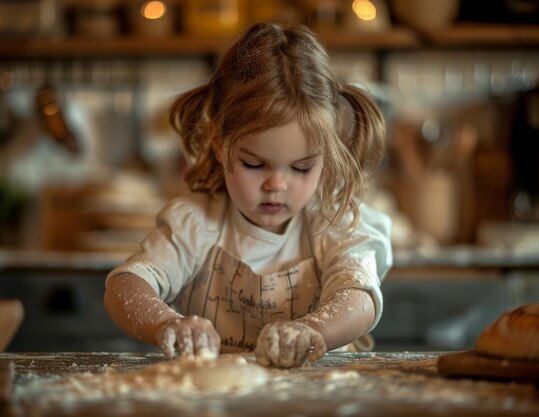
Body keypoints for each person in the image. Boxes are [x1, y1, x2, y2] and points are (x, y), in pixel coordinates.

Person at [104, 22, 392, 368]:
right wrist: (167, 323)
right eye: (255, 164)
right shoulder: (195, 224)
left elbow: (358, 295)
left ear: (327, 155)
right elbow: (125, 288)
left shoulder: (338, 223)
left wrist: (315, 330)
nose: (276, 185)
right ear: (218, 144)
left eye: (301, 168)